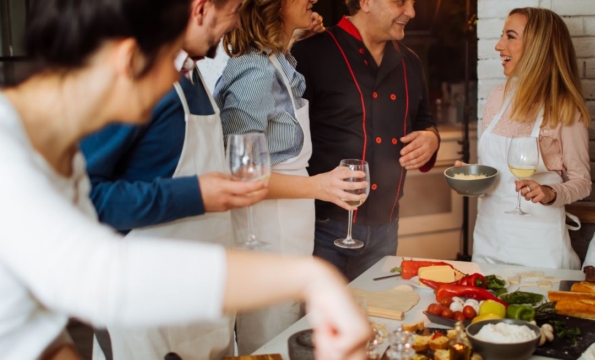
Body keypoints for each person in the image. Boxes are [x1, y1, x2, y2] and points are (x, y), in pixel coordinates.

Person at [0, 0, 372, 359]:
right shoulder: (10, 155)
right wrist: (310, 278)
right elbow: (106, 278)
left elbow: (37, 338)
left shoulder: (57, 154)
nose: (183, 75)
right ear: (128, 60)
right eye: (172, 62)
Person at [79, 0, 260, 358]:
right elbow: (86, 197)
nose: (237, 22)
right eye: (235, 9)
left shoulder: (193, 75)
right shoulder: (136, 78)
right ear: (201, 9)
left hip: (200, 304)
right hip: (146, 312)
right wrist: (194, 194)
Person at [213, 0, 368, 353]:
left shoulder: (276, 63)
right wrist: (318, 186)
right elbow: (238, 174)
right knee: (269, 337)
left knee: (285, 325)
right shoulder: (254, 71)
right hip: (265, 228)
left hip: (289, 222)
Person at [291, 0, 440, 281]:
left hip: (387, 231)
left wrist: (431, 138)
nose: (411, 12)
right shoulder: (311, 52)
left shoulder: (411, 62)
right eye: (400, 2)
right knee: (320, 323)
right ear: (366, 2)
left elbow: (424, 120)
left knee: (376, 322)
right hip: (323, 230)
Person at [468, 7, 591, 269]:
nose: (499, 45)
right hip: (489, 240)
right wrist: (473, 178)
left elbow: (582, 182)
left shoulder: (565, 108)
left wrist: (549, 192)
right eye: (502, 36)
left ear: (538, 46)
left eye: (510, 36)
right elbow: (494, 173)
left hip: (539, 248)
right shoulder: (495, 98)